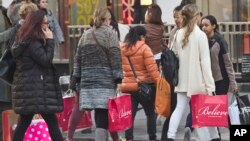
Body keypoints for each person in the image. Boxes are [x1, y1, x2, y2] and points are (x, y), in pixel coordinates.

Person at [166, 4, 221, 141]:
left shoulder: (178, 34)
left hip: (182, 79)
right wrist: (210, 86)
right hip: (199, 81)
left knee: (179, 109)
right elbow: (205, 63)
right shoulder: (200, 35)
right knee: (206, 109)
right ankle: (214, 137)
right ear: (196, 17)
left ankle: (170, 136)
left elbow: (174, 57)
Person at [65, 8, 122, 141]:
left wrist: (75, 79)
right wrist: (118, 79)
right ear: (106, 19)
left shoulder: (85, 35)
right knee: (102, 115)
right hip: (104, 83)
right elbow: (115, 58)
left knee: (101, 114)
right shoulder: (110, 34)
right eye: (109, 19)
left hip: (87, 83)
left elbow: (77, 60)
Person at [11, 9, 63, 141]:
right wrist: (50, 40)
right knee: (50, 122)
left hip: (30, 88)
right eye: (45, 22)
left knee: (25, 122)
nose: (48, 26)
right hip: (36, 88)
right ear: (37, 23)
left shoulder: (25, 38)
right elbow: (45, 60)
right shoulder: (33, 41)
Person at [120, 25, 160, 141]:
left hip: (128, 87)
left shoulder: (122, 48)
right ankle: (152, 137)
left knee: (130, 115)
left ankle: (129, 138)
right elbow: (152, 70)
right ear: (142, 36)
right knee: (150, 113)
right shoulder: (145, 48)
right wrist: (159, 83)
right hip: (144, 87)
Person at [161, 4, 183, 141]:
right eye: (174, 17)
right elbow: (172, 55)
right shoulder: (175, 32)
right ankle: (167, 137)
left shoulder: (193, 31)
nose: (176, 19)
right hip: (176, 77)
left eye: (178, 16)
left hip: (188, 76)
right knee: (175, 108)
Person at [201, 15, 238, 94]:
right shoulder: (201, 40)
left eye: (206, 25)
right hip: (207, 80)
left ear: (214, 26)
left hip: (221, 80)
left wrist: (233, 82)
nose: (203, 28)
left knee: (219, 105)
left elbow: (228, 63)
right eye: (202, 25)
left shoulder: (220, 41)